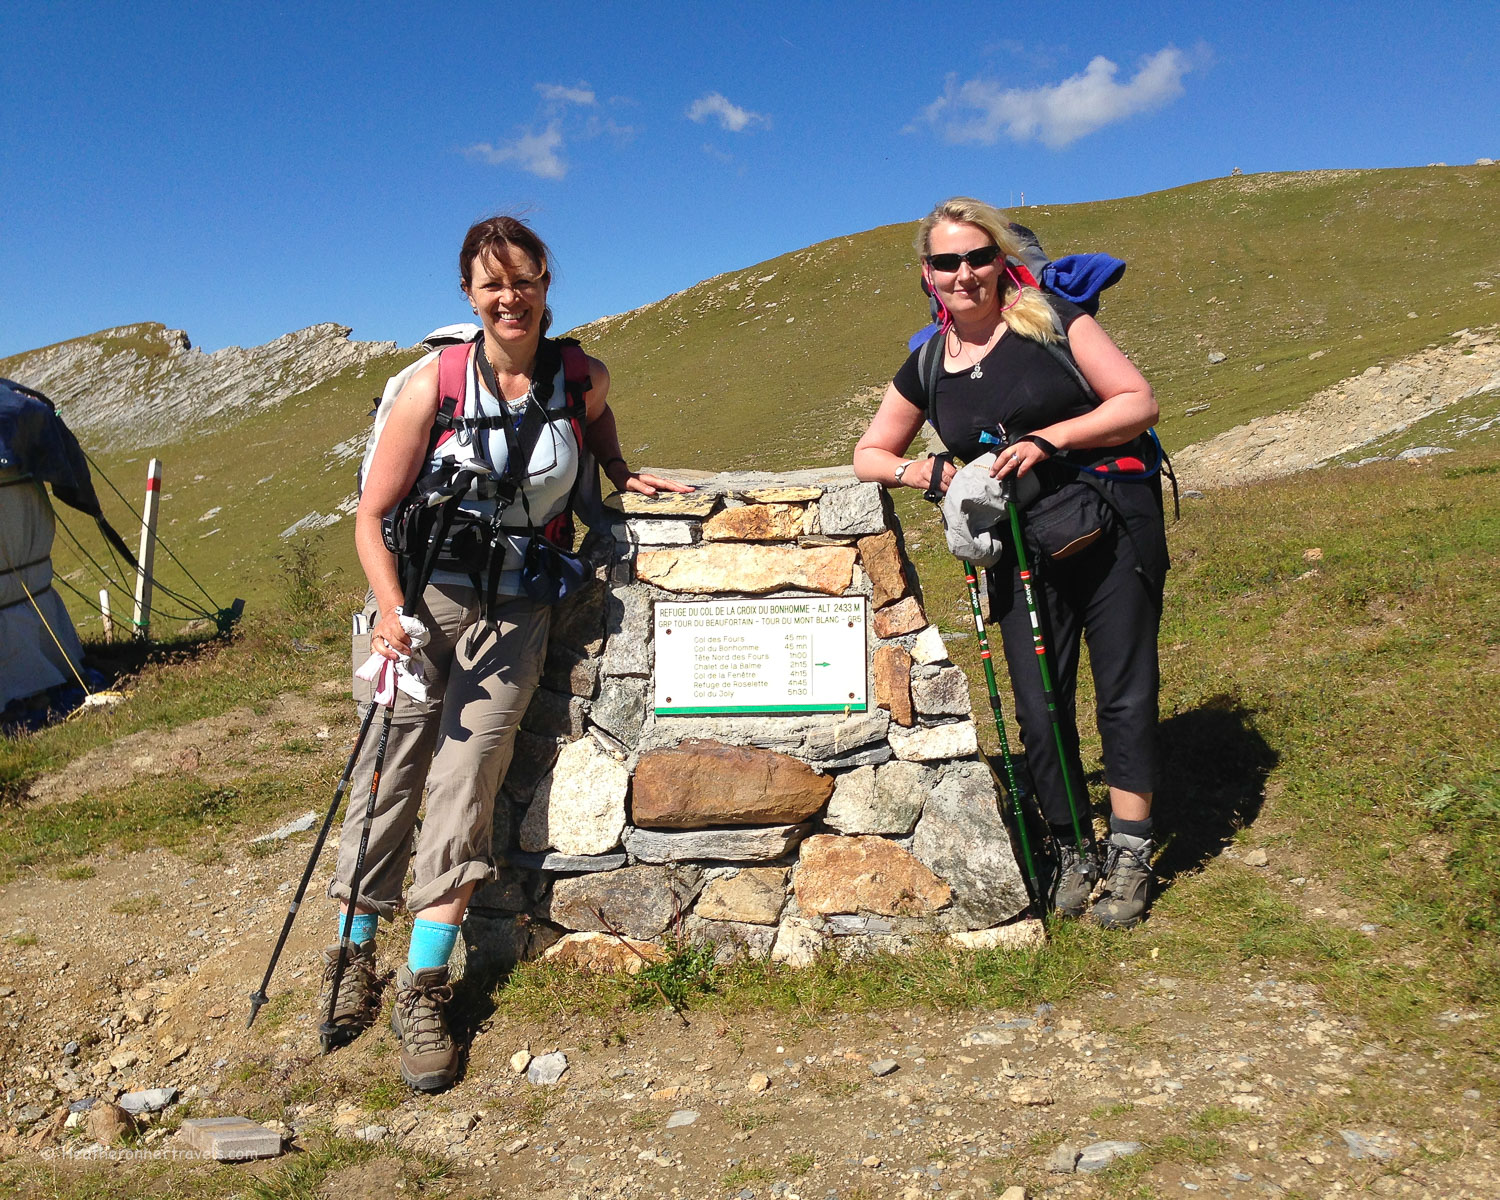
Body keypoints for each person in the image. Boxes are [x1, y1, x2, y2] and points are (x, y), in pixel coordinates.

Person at [324, 215, 691, 1091]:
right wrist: (389, 613)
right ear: (469, 294)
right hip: (420, 602)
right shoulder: (435, 383)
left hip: (518, 608)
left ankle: (423, 985)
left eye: (523, 280)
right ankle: (352, 953)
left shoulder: (580, 376)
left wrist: (618, 468)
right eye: (493, 284)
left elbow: (596, 424)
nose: (510, 297)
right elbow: (372, 514)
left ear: (545, 285)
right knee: (389, 769)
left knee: (467, 779)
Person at [853, 196, 1168, 928]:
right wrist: (924, 472)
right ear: (928, 274)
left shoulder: (1053, 321)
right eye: (946, 262)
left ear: (1000, 260)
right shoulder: (928, 362)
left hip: (1109, 525)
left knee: (1122, 692)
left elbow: (1137, 401)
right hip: (1018, 547)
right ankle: (1072, 845)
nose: (963, 273)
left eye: (977, 256)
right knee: (1039, 704)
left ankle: (1130, 851)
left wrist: (1050, 440)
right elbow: (870, 454)